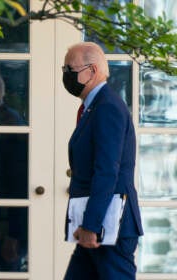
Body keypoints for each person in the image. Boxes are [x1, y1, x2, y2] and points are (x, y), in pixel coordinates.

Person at [62, 42, 144, 279]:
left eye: (70, 69)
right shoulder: (94, 107)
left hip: (110, 228)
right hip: (98, 227)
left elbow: (107, 171)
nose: (66, 76)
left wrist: (91, 225)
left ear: (93, 70)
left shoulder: (107, 107)